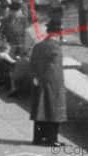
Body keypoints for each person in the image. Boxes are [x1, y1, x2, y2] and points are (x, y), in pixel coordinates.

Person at [29, 18, 67, 146]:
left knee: (40, 110)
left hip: (40, 82)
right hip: (53, 84)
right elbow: (55, 69)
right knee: (54, 111)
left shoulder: (39, 45)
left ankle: (38, 138)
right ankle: (52, 139)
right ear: (58, 33)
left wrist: (36, 77)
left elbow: (32, 64)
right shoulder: (55, 48)